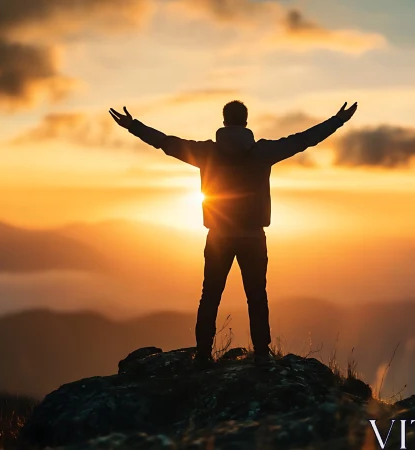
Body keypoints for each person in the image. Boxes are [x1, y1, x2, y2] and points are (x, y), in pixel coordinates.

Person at [109, 100, 358, 366]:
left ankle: (203, 353)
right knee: (256, 294)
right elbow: (304, 140)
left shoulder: (206, 153)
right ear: (246, 122)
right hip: (253, 236)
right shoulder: (262, 152)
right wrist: (337, 120)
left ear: (224, 121)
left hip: (218, 236)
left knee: (211, 294)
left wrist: (133, 126)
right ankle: (262, 352)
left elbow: (167, 143)